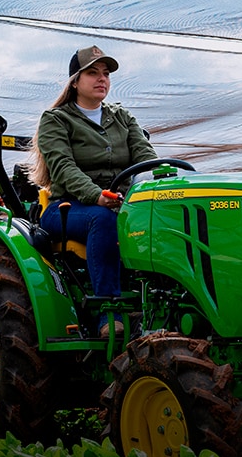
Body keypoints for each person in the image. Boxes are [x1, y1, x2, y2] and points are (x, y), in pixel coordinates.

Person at [29, 45, 157, 338]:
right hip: (68, 209)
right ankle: (108, 312)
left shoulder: (122, 117)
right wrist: (96, 195)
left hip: (120, 204)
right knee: (102, 218)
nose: (102, 79)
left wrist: (163, 182)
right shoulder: (56, 119)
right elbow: (63, 168)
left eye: (106, 74)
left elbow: (146, 157)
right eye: (92, 73)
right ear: (75, 80)